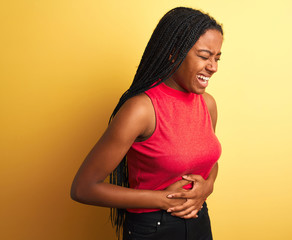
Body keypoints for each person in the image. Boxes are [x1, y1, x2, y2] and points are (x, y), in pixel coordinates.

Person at [71, 7, 223, 240]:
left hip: (200, 222)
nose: (213, 67)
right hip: (153, 228)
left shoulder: (208, 104)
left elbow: (208, 161)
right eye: (204, 56)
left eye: (216, 57)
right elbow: (84, 187)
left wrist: (208, 186)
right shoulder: (141, 109)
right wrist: (161, 199)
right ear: (174, 53)